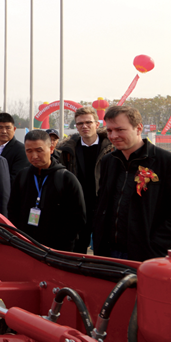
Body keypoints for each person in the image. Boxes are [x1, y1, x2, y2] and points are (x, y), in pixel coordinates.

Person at [93, 106, 171, 262]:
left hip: (147, 254)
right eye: (109, 131)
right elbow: (102, 203)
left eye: (120, 130)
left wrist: (156, 245)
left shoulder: (165, 162)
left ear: (139, 128)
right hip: (108, 252)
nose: (113, 136)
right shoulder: (108, 161)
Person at [8, 130, 85, 252]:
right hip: (26, 246)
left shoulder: (66, 179)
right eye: (29, 151)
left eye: (39, 150)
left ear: (51, 149)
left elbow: (78, 218)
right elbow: (13, 210)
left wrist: (64, 245)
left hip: (57, 249)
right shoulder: (22, 176)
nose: (34, 156)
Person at [58, 106, 114, 254]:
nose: (84, 126)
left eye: (88, 122)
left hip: (103, 204)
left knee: (103, 247)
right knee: (77, 247)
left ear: (97, 124)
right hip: (78, 205)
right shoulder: (67, 150)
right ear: (76, 126)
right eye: (80, 123)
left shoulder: (111, 148)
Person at [0, 113, 30, 182]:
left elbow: (16, 178)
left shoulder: (22, 150)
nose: (4, 131)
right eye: (0, 128)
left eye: (8, 128)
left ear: (14, 129)